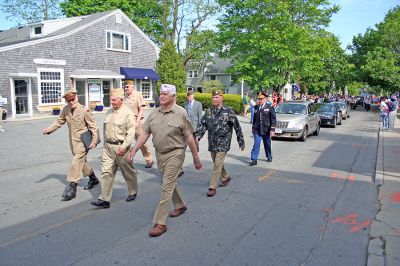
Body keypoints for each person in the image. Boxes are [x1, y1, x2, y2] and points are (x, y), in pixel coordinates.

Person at [128, 84, 202, 237]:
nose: (161, 96)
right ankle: (180, 205)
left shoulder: (181, 113)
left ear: (173, 96)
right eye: (161, 93)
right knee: (170, 182)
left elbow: (189, 136)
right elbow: (144, 133)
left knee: (166, 186)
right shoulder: (154, 113)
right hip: (159, 154)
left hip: (175, 153)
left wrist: (196, 157)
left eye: (166, 94)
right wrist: (134, 149)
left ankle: (160, 223)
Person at [42, 89, 99, 201]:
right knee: (82, 161)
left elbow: (93, 126)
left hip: (84, 141)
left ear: (76, 98)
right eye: (69, 101)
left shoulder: (84, 110)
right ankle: (93, 178)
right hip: (73, 141)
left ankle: (72, 187)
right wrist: (49, 129)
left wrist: (95, 140)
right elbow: (59, 121)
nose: (71, 102)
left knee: (76, 161)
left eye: (73, 99)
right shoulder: (66, 109)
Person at [91, 88, 138, 209]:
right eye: (110, 99)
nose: (112, 102)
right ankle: (104, 199)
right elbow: (105, 129)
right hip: (108, 147)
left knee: (128, 172)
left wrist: (124, 147)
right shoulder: (109, 112)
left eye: (114, 100)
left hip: (121, 147)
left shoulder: (128, 113)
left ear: (121, 99)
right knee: (106, 172)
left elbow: (131, 133)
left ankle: (133, 191)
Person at [195, 89, 245, 197]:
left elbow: (237, 126)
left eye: (217, 97)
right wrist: (199, 135)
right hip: (212, 142)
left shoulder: (228, 111)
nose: (214, 99)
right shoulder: (208, 111)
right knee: (216, 162)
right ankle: (226, 176)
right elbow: (203, 125)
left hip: (223, 142)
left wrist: (241, 141)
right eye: (213, 97)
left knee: (217, 164)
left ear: (222, 98)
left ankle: (212, 187)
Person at [123, 80, 153, 168]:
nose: (126, 88)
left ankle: (149, 159)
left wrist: (138, 121)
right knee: (125, 142)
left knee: (141, 142)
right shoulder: (125, 97)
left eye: (127, 87)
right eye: (125, 87)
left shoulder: (138, 95)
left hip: (137, 122)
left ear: (133, 87)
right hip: (127, 122)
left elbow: (141, 109)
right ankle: (125, 161)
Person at [249, 92, 276, 166]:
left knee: (267, 144)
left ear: (265, 99)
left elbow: (273, 119)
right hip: (257, 129)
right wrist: (253, 127)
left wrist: (272, 130)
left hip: (266, 129)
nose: (260, 100)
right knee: (256, 144)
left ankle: (269, 156)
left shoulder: (270, 107)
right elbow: (254, 118)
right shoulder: (256, 107)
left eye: (261, 99)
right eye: (259, 99)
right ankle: (254, 159)